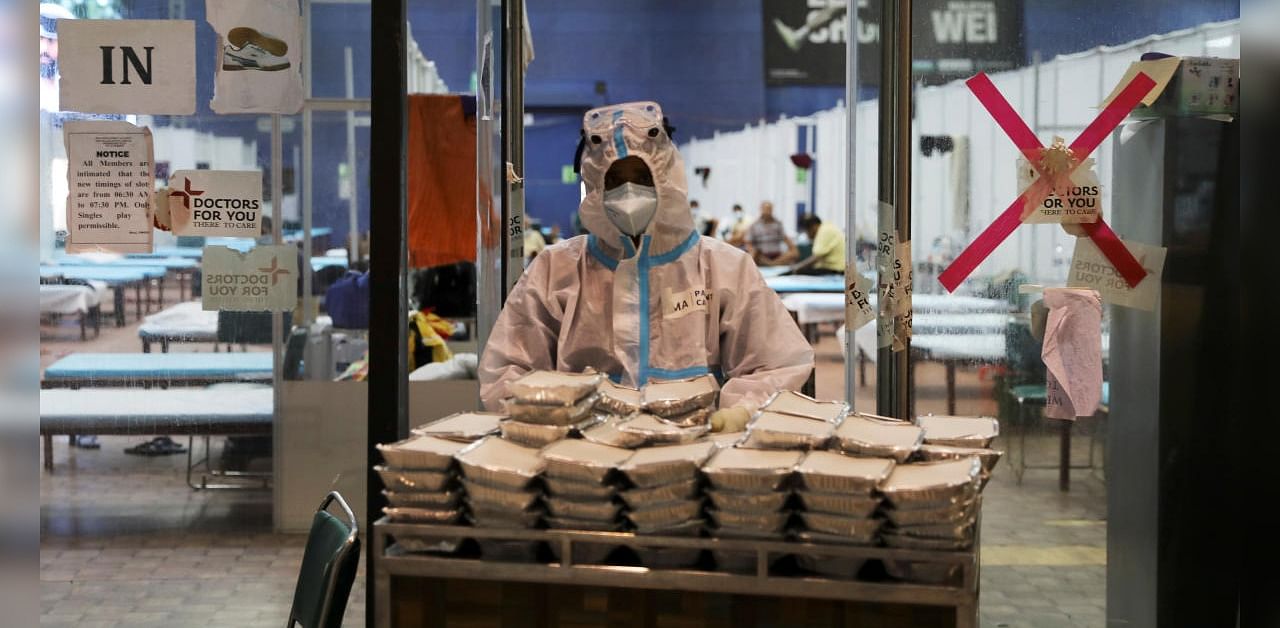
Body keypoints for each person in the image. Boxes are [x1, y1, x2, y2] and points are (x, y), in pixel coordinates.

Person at [478, 101, 813, 425]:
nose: (628, 192)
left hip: (696, 452)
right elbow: (509, 367)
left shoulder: (724, 269)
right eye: (615, 180)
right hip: (582, 458)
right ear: (596, 185)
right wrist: (548, 416)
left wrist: (738, 413)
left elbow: (776, 363)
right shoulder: (556, 270)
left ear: (664, 176)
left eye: (640, 177)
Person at [745, 201, 798, 266]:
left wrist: (793, 248)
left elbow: (786, 239)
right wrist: (753, 251)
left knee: (794, 253)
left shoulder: (778, 224)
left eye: (769, 209)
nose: (767, 212)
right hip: (761, 256)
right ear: (761, 210)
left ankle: (772, 264)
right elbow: (748, 243)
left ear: (772, 210)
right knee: (752, 255)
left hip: (777, 256)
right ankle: (772, 264)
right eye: (765, 209)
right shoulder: (754, 225)